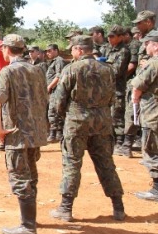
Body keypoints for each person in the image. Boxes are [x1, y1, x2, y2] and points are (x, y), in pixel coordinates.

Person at [50, 35, 125, 222]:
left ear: (80, 50)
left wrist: (63, 117)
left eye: (73, 49)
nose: (72, 52)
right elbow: (112, 98)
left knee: (72, 162)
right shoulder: (107, 69)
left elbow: (59, 100)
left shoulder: (71, 69)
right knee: (106, 163)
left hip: (77, 121)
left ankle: (66, 209)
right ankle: (118, 208)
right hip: (102, 121)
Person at [0, 34, 48, 234]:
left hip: (17, 134)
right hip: (36, 132)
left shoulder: (8, 72)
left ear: (6, 49)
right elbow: (44, 98)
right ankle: (30, 220)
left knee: (19, 176)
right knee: (31, 174)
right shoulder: (38, 70)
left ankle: (28, 226)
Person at [130, 29, 158, 202]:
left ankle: (156, 189)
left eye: (148, 43)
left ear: (155, 46)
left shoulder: (153, 64)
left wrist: (135, 99)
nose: (145, 46)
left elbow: (138, 86)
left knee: (152, 151)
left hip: (153, 114)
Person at [104, 25, 132, 156]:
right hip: (107, 89)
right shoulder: (109, 49)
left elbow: (117, 71)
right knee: (108, 117)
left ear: (120, 37)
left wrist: (102, 68)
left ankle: (120, 143)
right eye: (108, 36)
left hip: (117, 89)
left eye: (112, 36)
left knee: (117, 117)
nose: (109, 39)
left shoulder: (124, 51)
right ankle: (113, 141)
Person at [45, 44, 66, 142]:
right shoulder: (53, 62)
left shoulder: (59, 60)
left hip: (56, 90)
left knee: (53, 111)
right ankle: (56, 133)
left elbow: (59, 76)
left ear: (56, 50)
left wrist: (49, 86)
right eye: (47, 51)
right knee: (53, 111)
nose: (47, 53)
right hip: (53, 90)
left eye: (50, 51)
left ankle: (56, 134)